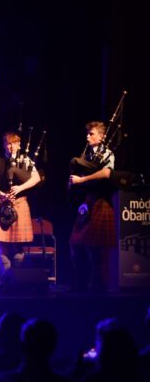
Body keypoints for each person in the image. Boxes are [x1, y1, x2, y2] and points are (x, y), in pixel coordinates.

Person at [68, 121, 116, 292]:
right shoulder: (87, 156)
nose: (88, 137)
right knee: (75, 244)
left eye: (92, 134)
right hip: (86, 202)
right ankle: (80, 283)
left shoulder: (107, 154)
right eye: (87, 134)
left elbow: (106, 173)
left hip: (101, 202)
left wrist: (82, 179)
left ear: (102, 136)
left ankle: (97, 286)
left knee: (95, 249)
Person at [0, 131, 41, 272]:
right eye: (9, 143)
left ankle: (16, 277)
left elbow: (36, 178)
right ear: (4, 145)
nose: (12, 146)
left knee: (18, 244)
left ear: (19, 144)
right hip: (1, 204)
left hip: (20, 203)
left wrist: (20, 188)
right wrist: (0, 194)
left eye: (15, 143)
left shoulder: (26, 161)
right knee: (3, 244)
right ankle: (6, 279)